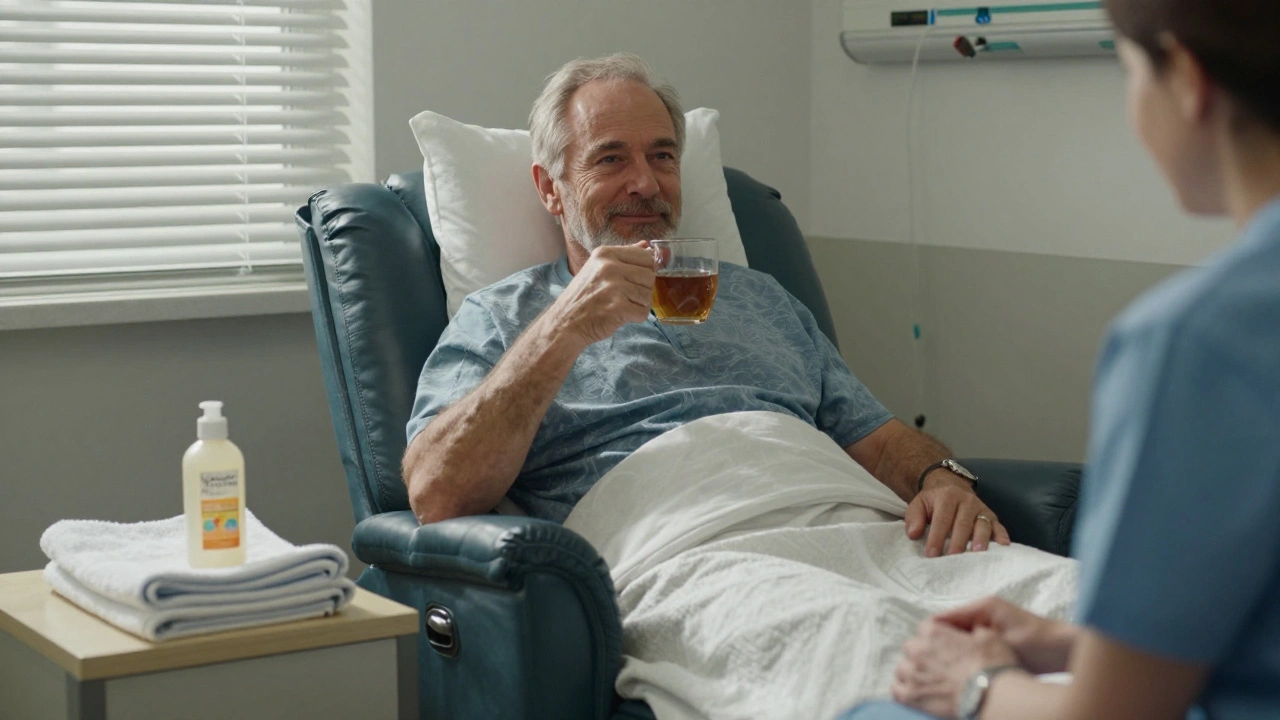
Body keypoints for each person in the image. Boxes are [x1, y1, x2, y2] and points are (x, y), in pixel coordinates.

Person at [840, 0, 1280, 718]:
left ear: (1187, 80)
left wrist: (974, 683)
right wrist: (1076, 644)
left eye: (1129, 72)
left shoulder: (1195, 342)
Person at [401, 52, 1010, 560]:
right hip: (692, 550)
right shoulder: (503, 317)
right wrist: (564, 327)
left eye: (663, 156)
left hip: (854, 528)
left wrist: (943, 479)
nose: (646, 183)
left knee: (1044, 612)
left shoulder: (761, 297)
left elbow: (880, 441)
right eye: (611, 158)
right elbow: (436, 494)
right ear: (549, 189)